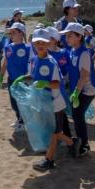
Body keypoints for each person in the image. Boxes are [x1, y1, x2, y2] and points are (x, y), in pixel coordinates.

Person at [26, 28, 79, 171]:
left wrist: (45, 84)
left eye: (43, 42)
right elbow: (33, 77)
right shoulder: (34, 60)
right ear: (34, 44)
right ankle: (72, 143)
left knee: (54, 133)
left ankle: (49, 160)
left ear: (48, 43)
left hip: (55, 103)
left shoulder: (51, 62)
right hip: (43, 103)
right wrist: (23, 79)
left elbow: (57, 83)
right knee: (53, 131)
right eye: (37, 42)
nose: (40, 45)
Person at [62, 23, 95, 155]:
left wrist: (76, 92)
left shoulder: (84, 53)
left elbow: (84, 75)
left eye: (69, 35)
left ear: (79, 37)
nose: (67, 38)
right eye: (66, 35)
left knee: (77, 114)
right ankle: (81, 142)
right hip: (78, 88)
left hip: (88, 89)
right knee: (76, 115)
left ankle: (84, 145)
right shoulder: (72, 51)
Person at [0, 23, 30, 131]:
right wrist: (1, 77)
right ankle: (19, 118)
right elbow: (5, 63)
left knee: (22, 101)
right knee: (13, 102)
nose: (11, 35)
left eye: (14, 32)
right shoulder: (8, 47)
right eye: (10, 33)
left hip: (23, 80)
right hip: (11, 79)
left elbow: (32, 64)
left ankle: (23, 121)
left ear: (21, 33)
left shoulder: (28, 48)